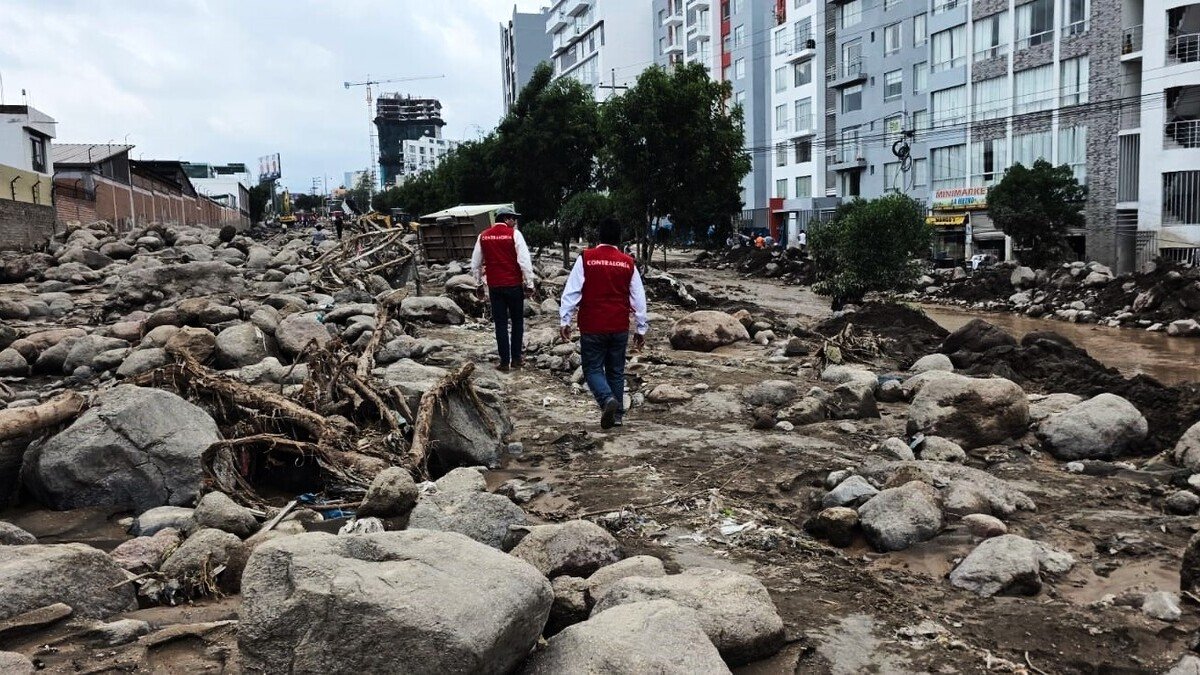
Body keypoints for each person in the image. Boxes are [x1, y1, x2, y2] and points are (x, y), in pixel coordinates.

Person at [559, 216, 649, 429]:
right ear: (619, 238)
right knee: (616, 371)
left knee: (592, 369)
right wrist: (641, 327)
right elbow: (638, 298)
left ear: (598, 236)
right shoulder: (628, 263)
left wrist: (565, 320)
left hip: (593, 325)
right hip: (618, 326)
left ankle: (606, 399)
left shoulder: (586, 258)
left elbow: (571, 292)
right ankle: (617, 416)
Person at [471, 206, 535, 371]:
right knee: (517, 322)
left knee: (500, 324)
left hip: (495, 286)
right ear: (506, 219)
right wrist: (529, 284)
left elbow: (476, 264)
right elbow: (524, 262)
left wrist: (478, 284)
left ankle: (504, 361)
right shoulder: (515, 235)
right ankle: (517, 359)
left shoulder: (483, 236)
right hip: (513, 285)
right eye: (513, 218)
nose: (515, 222)